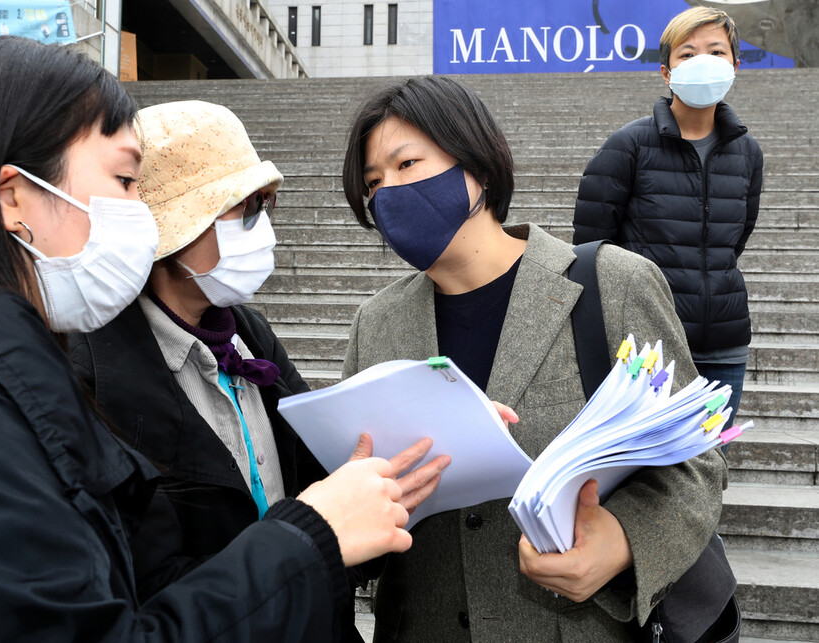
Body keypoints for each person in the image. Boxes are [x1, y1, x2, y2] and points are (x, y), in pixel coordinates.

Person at [0, 36, 435, 642]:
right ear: (13, 197)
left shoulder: (238, 336)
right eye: (128, 179)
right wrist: (311, 535)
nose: (141, 209)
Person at [340, 76, 726, 642]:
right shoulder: (373, 324)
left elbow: (697, 461)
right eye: (373, 183)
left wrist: (623, 543)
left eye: (407, 165)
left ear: (479, 165)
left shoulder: (614, 284)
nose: (389, 193)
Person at [68, 100, 451, 640]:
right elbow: (141, 585)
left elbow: (318, 477)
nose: (263, 228)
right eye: (244, 209)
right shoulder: (95, 371)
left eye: (266, 206)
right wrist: (309, 540)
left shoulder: (246, 333)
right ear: (176, 225)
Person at [573, 6, 763, 426]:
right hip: (648, 343)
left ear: (735, 65)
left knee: (709, 459)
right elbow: (590, 248)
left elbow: (736, 238)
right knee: (648, 471)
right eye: (688, 54)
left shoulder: (747, 152)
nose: (703, 63)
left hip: (724, 342)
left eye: (716, 52)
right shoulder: (628, 145)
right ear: (666, 71)